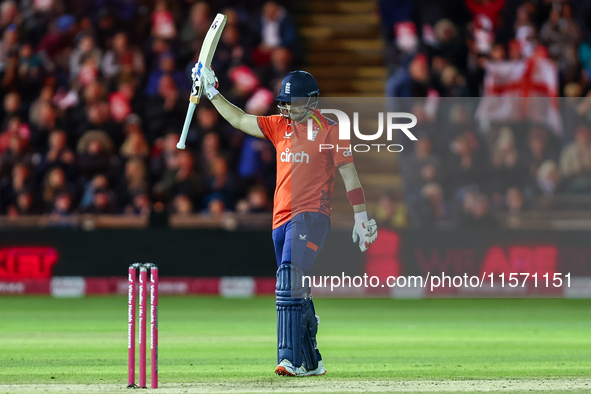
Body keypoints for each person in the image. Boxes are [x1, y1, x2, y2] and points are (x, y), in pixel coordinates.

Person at [192, 66, 378, 376]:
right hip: (280, 218)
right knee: (296, 286)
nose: (288, 108)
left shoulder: (331, 131)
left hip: (312, 216)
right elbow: (239, 119)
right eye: (285, 103)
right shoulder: (280, 126)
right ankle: (313, 360)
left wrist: (361, 216)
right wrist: (212, 92)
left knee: (288, 281)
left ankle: (288, 357)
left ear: (312, 101)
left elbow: (349, 174)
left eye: (295, 103)